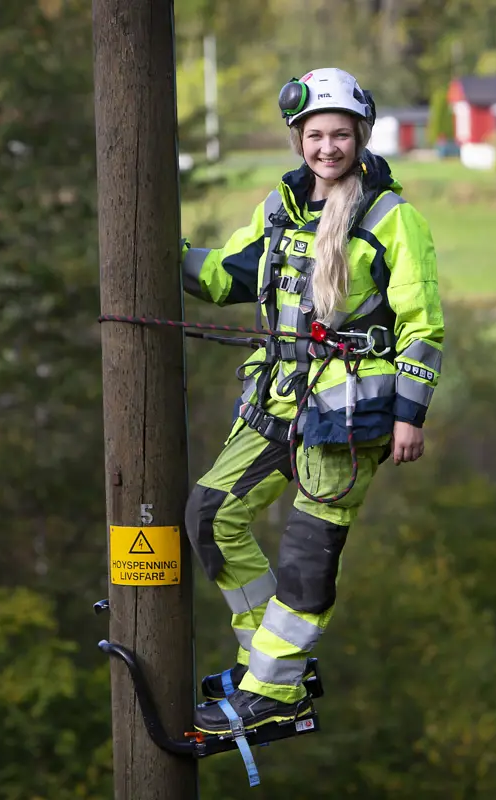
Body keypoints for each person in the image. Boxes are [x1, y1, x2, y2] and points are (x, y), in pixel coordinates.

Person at [179, 67, 444, 735]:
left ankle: (275, 692)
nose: (327, 147)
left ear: (361, 137)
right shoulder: (280, 210)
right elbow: (224, 275)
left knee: (305, 554)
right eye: (315, 135)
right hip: (278, 398)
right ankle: (269, 662)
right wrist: (156, 253)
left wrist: (411, 415)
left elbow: (423, 323)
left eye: (341, 135)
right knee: (212, 516)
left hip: (347, 416)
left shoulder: (393, 219)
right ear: (299, 140)